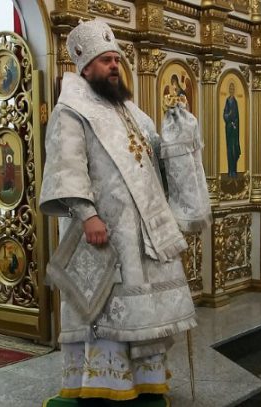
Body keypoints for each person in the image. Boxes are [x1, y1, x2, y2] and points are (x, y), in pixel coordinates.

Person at [39, 20, 203, 406]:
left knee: (141, 312)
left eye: (116, 59)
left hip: (142, 233)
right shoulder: (71, 110)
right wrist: (87, 215)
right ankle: (102, 385)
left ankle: (143, 381)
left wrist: (177, 133)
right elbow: (67, 166)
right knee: (104, 310)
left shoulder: (131, 110)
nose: (115, 66)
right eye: (106, 60)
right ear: (86, 68)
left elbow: (155, 158)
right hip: (105, 231)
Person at [223, 82, 241, 177]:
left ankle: (235, 170)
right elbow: (225, 115)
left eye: (233, 89)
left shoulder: (235, 102)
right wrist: (229, 116)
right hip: (229, 130)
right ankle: (230, 171)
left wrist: (235, 124)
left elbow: (237, 117)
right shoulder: (227, 101)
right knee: (230, 150)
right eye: (230, 89)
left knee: (235, 150)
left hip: (234, 130)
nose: (232, 90)